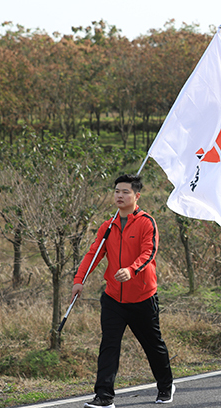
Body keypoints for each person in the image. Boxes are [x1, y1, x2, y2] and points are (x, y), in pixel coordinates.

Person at [71, 174, 174, 408]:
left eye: (125, 192)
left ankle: (166, 386)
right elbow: (93, 254)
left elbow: (149, 252)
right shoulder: (108, 226)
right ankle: (104, 396)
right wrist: (80, 279)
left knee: (153, 345)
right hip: (113, 299)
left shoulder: (147, 222)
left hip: (142, 298)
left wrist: (131, 269)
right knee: (109, 345)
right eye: (117, 191)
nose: (120, 195)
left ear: (137, 196)